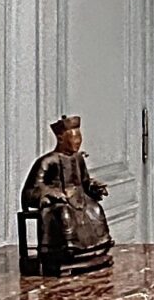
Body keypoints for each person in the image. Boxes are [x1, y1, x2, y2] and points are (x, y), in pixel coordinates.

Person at [20, 115, 113, 275]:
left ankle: (97, 247)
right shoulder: (47, 161)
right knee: (64, 215)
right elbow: (32, 188)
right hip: (58, 202)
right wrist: (51, 193)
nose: (77, 142)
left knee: (95, 210)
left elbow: (85, 181)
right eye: (74, 139)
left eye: (79, 139)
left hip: (80, 199)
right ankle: (66, 250)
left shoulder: (78, 159)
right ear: (61, 138)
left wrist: (95, 187)